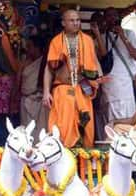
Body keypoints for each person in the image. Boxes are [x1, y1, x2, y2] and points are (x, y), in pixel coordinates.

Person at [43, 9, 102, 148]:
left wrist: (99, 77)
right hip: (63, 89)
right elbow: (49, 68)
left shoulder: (87, 40)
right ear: (63, 23)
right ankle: (64, 153)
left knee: (85, 122)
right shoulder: (56, 41)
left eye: (78, 20)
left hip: (83, 88)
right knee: (63, 125)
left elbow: (94, 60)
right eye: (72, 20)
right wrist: (46, 92)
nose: (76, 23)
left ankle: (84, 157)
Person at [95, 7, 136, 124]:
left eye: (114, 15)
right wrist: (98, 35)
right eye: (109, 16)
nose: (112, 18)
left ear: (119, 17)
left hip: (126, 81)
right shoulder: (102, 38)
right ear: (105, 19)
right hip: (110, 82)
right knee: (111, 115)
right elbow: (101, 57)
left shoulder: (130, 33)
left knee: (128, 113)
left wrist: (123, 36)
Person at [18, 36, 49, 131]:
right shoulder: (24, 63)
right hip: (26, 101)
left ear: (37, 48)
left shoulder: (45, 62)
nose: (27, 49)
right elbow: (17, 82)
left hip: (40, 102)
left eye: (30, 46)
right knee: (26, 130)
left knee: (40, 130)